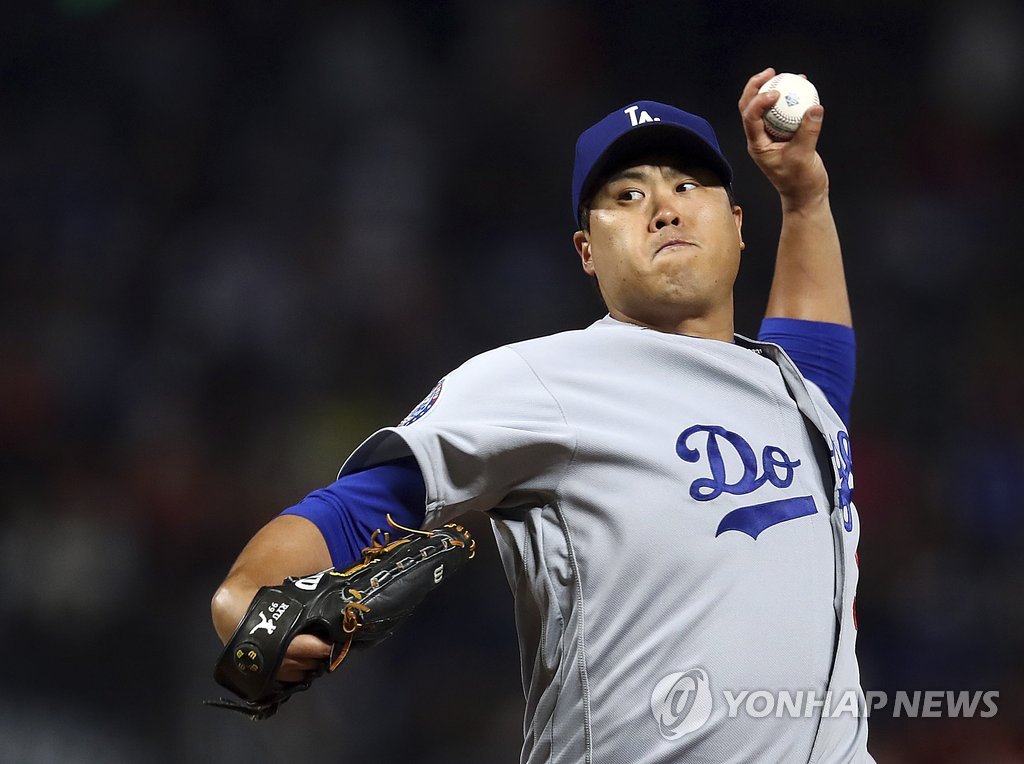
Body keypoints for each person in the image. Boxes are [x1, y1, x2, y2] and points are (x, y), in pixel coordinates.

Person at [212, 67, 872, 762]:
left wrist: (805, 198)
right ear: (587, 252)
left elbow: (818, 355)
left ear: (737, 227)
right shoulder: (543, 381)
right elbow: (355, 507)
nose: (665, 209)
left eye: (687, 186)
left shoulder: (798, 395)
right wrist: (246, 598)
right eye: (627, 196)